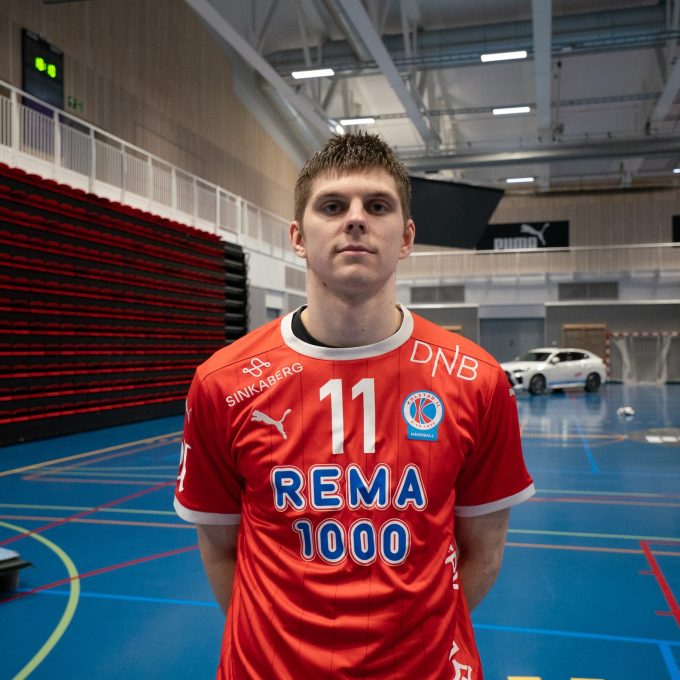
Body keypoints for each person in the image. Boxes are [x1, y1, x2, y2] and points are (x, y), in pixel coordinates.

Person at [174, 132, 534, 679]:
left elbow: (483, 551)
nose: (356, 220)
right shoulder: (222, 383)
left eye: (378, 205)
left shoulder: (477, 381)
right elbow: (222, 550)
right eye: (333, 206)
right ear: (298, 237)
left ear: (406, 237)